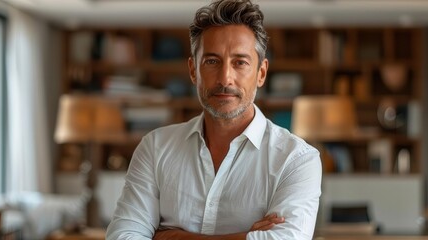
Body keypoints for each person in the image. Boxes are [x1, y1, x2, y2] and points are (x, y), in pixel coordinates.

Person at [106, 0, 322, 239]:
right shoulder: (155, 148)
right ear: (193, 71)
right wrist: (246, 236)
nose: (225, 78)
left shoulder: (297, 159)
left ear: (261, 73)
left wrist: (172, 236)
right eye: (211, 61)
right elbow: (122, 236)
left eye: (240, 62)